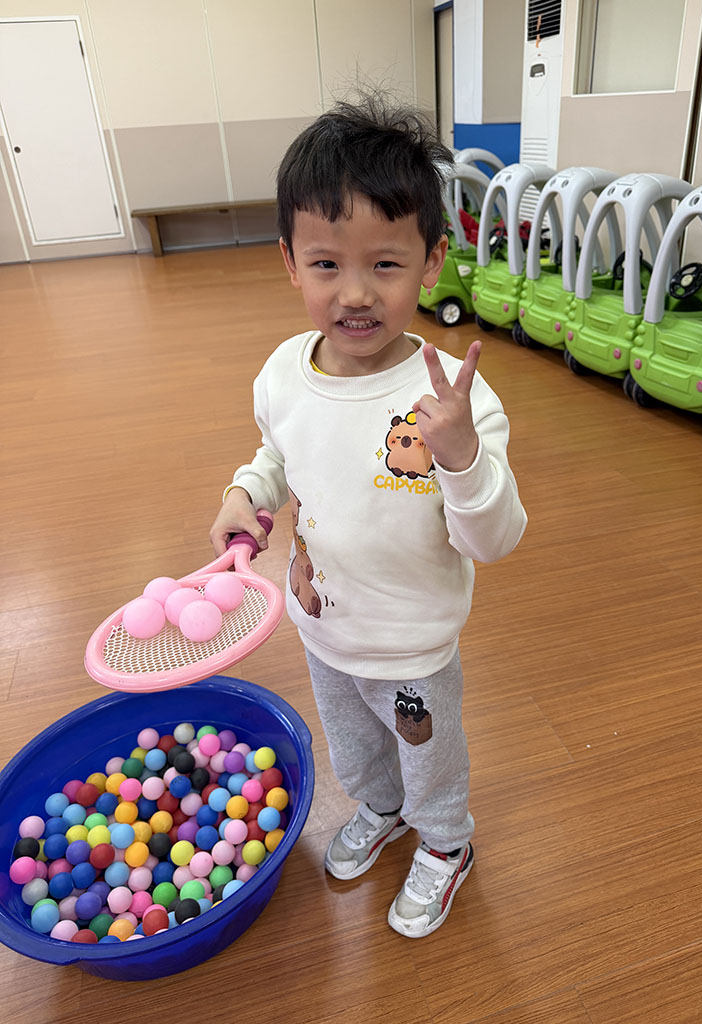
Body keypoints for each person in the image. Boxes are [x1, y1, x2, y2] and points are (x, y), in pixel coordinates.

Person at [209, 93, 527, 938]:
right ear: (289, 261)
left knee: (430, 758)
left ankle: (446, 842)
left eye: (385, 264)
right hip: (323, 627)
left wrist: (460, 455)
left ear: (431, 262)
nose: (355, 293)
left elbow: (495, 539)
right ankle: (380, 809)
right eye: (326, 264)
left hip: (412, 643)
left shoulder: (453, 401)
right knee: (353, 745)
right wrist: (249, 493)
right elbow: (279, 452)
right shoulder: (284, 372)